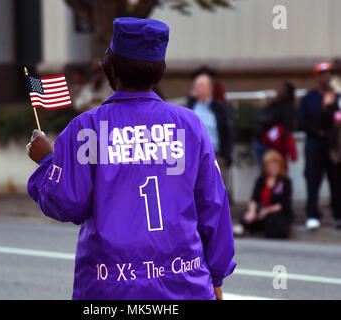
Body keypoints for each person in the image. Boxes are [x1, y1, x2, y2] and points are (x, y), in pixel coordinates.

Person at [27, 17, 235, 300]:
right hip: (184, 285)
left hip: (110, 288)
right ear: (160, 71)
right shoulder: (190, 124)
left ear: (111, 68)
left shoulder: (86, 128)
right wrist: (217, 275)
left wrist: (47, 162)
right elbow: (213, 205)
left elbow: (67, 203)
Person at [298, 62, 341, 230]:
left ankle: (338, 215)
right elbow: (303, 121)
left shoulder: (336, 97)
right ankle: (312, 215)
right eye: (322, 74)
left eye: (328, 74)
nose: (326, 77)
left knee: (336, 181)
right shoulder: (309, 98)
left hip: (331, 145)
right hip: (314, 144)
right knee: (312, 179)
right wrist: (323, 107)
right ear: (317, 77)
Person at [186, 72, 234, 193]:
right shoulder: (191, 106)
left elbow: (228, 132)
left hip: (216, 155)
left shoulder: (220, 108)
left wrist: (227, 155)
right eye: (195, 85)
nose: (196, 87)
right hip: (194, 156)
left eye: (200, 85)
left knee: (218, 191)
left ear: (209, 88)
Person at [233, 150, 293, 238]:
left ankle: (255, 228)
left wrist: (267, 211)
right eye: (270, 164)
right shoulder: (261, 180)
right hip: (260, 210)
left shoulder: (284, 181)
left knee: (274, 222)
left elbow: (283, 204)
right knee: (248, 215)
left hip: (276, 212)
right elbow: (254, 199)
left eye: (275, 164)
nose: (273, 167)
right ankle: (246, 226)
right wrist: (252, 212)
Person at [254, 82, 297, 166]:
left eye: (282, 89)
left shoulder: (288, 108)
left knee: (274, 170)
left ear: (287, 93)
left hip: (274, 146)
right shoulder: (274, 104)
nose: (278, 90)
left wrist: (276, 143)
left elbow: (287, 129)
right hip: (261, 141)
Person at [320, 88, 341, 228]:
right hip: (336, 148)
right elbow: (323, 123)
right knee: (336, 183)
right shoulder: (332, 99)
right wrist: (325, 106)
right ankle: (338, 216)